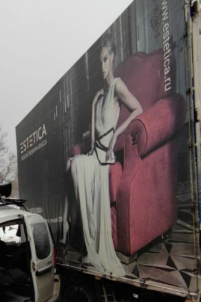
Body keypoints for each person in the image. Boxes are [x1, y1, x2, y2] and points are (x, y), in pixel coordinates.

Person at [65, 36, 143, 276]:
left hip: (106, 157)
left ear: (113, 59)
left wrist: (118, 133)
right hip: (95, 153)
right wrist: (93, 106)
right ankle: (79, 224)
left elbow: (138, 109)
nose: (102, 65)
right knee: (72, 164)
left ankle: (82, 228)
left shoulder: (118, 86)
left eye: (106, 59)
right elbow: (91, 139)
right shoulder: (99, 96)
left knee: (76, 166)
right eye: (100, 61)